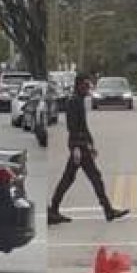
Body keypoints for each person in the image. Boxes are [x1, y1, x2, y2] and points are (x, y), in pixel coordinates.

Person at [48, 74, 129, 225]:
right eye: (85, 85)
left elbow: (83, 126)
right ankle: (108, 210)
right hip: (78, 146)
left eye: (89, 86)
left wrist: (90, 143)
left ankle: (53, 209)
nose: (88, 89)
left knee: (70, 178)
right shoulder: (73, 102)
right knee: (92, 178)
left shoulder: (79, 101)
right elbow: (72, 127)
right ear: (78, 85)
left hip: (82, 145)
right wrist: (77, 147)